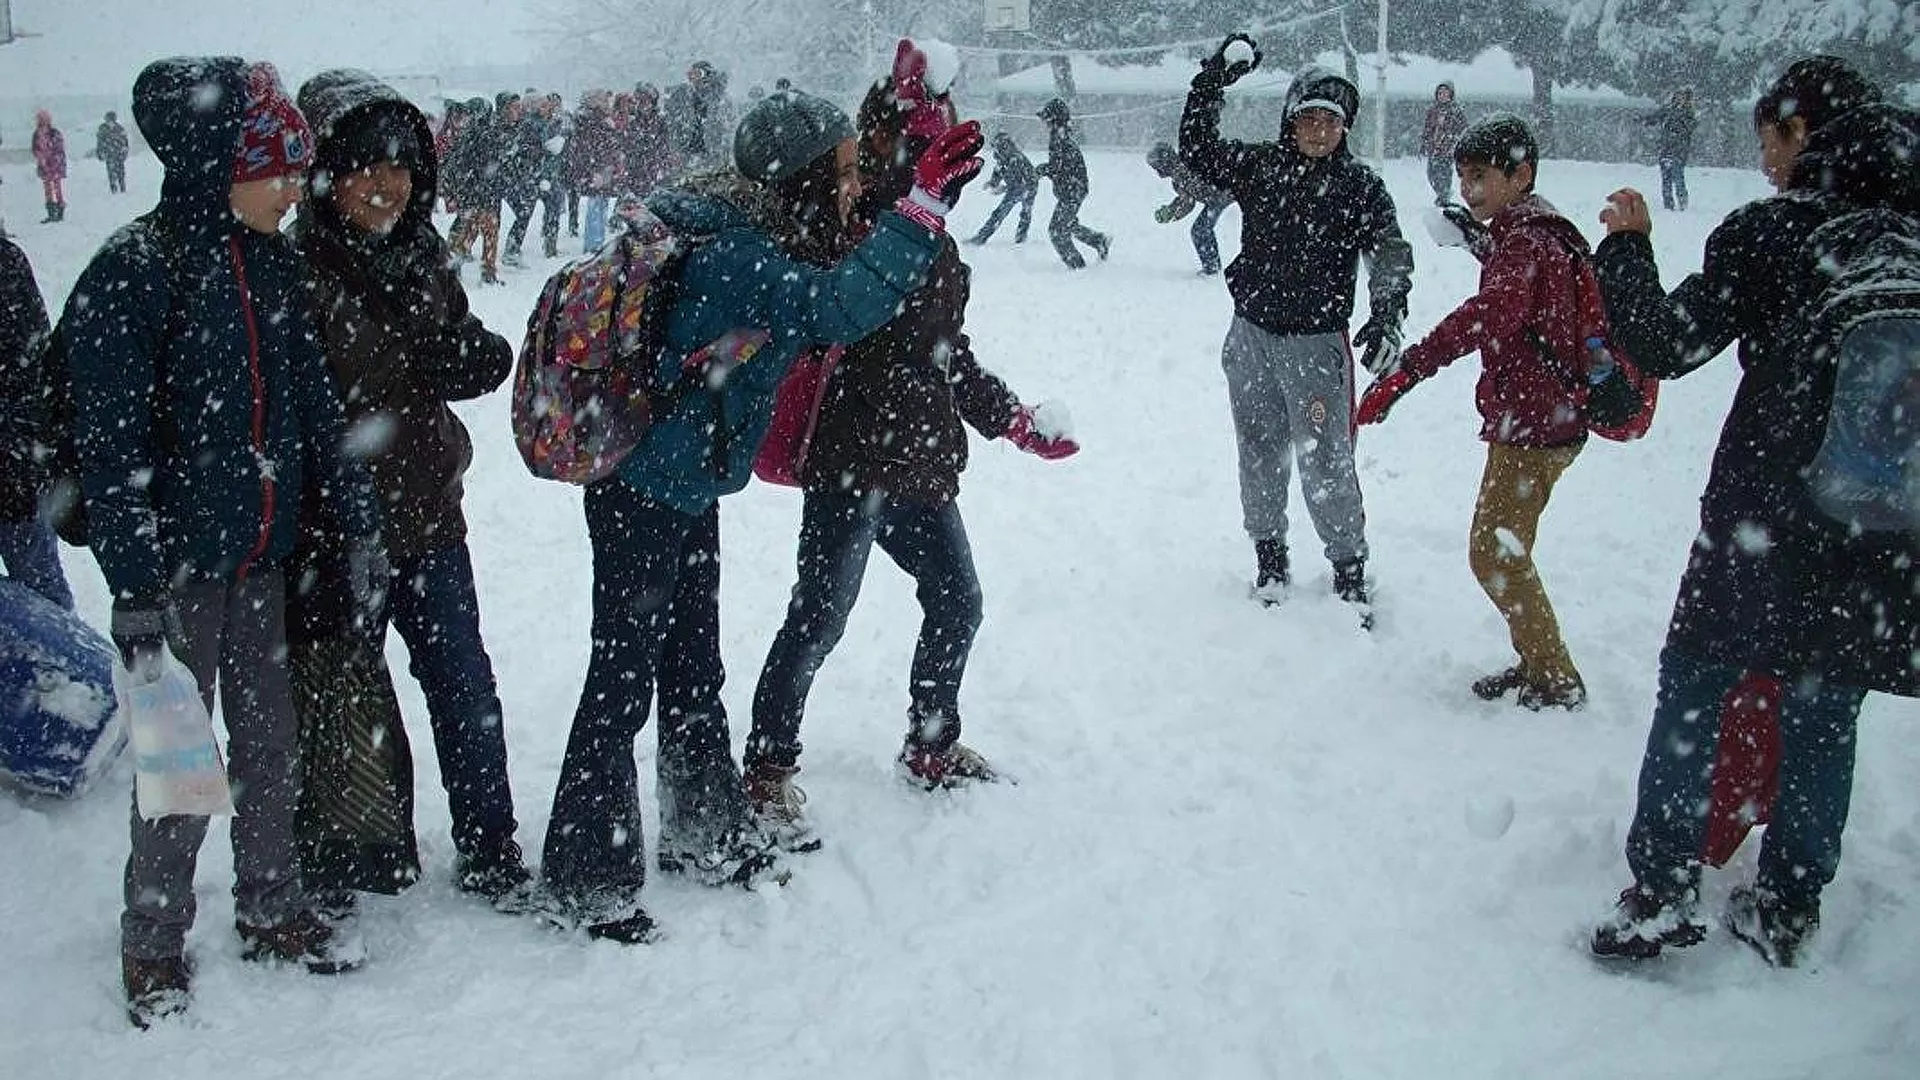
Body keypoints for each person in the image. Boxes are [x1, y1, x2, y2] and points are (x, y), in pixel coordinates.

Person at [537, 89, 983, 943]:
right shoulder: (735, 255)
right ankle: (587, 877)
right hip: (642, 492)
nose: (857, 188)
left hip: (683, 485)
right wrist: (920, 208)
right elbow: (837, 309)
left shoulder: (753, 230)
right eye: (847, 172)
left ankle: (704, 835)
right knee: (622, 680)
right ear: (806, 176)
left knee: (693, 666)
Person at [64, 57, 383, 1028]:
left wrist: (359, 522)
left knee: (270, 747)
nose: (295, 191)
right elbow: (109, 445)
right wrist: (133, 580)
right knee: (176, 769)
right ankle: (153, 941)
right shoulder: (137, 268)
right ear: (219, 163)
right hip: (173, 573)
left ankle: (271, 906)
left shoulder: (272, 267)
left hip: (261, 563)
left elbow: (319, 412)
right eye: (279, 172)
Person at [1587, 58, 1916, 967]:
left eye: (1769, 135)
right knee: (1823, 716)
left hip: (1761, 519)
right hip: (1880, 530)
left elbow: (1664, 342)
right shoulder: (1909, 242)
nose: (1763, 155)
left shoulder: (1774, 235)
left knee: (1695, 690)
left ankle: (1660, 891)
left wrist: (1627, 244)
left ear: (1801, 134)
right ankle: (1790, 905)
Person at [744, 61, 1079, 852]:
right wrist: (905, 187)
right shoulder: (842, 223)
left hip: (921, 459)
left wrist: (1013, 422)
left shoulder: (938, 241)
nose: (939, 156)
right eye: (919, 139)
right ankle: (765, 767)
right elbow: (825, 298)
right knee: (820, 617)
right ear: (881, 143)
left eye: (942, 137)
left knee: (958, 601)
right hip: (851, 457)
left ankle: (930, 745)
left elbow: (945, 354)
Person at [292, 69, 533, 913]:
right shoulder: (295, 276)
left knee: (464, 686)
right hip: (333, 536)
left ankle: (490, 845)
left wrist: (476, 357)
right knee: (344, 702)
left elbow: (457, 343)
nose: (385, 184)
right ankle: (350, 858)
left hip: (430, 514)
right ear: (324, 174)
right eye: (362, 166)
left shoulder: (423, 254)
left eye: (399, 166)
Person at [1354, 114, 1597, 708]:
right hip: (1543, 413)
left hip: (1536, 422)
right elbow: (1519, 293)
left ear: (1523, 174)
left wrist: (1409, 369)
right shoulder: (1531, 232)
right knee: (1504, 549)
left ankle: (1555, 678)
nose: (1470, 188)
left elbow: (1490, 314)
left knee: (1494, 553)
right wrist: (1477, 239)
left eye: (1483, 176)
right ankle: (1537, 661)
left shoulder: (1527, 240)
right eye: (1463, 176)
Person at [1178, 36, 1411, 624]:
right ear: (1290, 119)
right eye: (1307, 116)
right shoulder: (1260, 166)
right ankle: (1270, 557)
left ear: (1344, 127)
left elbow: (1390, 253)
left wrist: (1386, 311)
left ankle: (1349, 569)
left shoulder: (1360, 187)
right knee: (1258, 451)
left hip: (1316, 348)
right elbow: (1197, 148)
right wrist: (1212, 80)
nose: (1318, 129)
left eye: (1330, 120)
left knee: (1326, 457)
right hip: (1252, 336)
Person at [0, 235, 73, 610]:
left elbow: (35, 372)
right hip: (19, 469)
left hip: (15, 477)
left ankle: (60, 669)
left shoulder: (6, 263)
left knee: (44, 599)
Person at [1034, 98, 1110, 269]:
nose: (1043, 124)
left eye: (1046, 120)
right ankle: (1099, 240)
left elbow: (1059, 167)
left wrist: (1042, 170)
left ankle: (1077, 268)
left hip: (1073, 190)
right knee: (1067, 223)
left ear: (1054, 120)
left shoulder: (1061, 140)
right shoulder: (1059, 137)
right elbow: (1059, 167)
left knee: (1057, 230)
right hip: (1072, 189)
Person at [1146, 140, 1233, 275]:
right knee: (1200, 230)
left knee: (1200, 230)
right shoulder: (1178, 174)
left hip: (1221, 196)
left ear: (1165, 162)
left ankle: (1212, 268)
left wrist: (1171, 213)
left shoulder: (1182, 171)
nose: (1157, 171)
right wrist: (1171, 211)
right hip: (1219, 197)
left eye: (1157, 166)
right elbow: (1186, 200)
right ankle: (1212, 266)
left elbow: (1188, 203)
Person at [444, 97, 505, 285]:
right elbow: (492, 166)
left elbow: (455, 165)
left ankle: (454, 268)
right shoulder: (488, 134)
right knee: (489, 235)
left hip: (470, 195)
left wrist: (459, 193)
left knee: (468, 235)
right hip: (484, 194)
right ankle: (487, 274)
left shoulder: (465, 134)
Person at [967, 131, 1037, 245]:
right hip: (1016, 188)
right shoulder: (1001, 160)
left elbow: (1021, 182)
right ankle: (984, 236)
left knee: (1020, 212)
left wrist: (1003, 189)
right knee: (1012, 213)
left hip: (1029, 187)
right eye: (995, 147)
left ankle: (1019, 236)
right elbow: (998, 173)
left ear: (1005, 145)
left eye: (997, 146)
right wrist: (992, 183)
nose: (995, 150)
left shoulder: (1016, 159)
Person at [1641, 87, 1698, 211]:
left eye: (1682, 96)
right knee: (1666, 179)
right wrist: (1644, 120)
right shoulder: (1668, 110)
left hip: (1679, 151)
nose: (1679, 98)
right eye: (1678, 95)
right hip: (1665, 149)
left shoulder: (1689, 113)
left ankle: (1683, 203)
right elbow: (1655, 118)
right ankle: (1668, 205)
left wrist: (1677, 128)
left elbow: (1689, 128)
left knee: (1678, 177)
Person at [1419, 82, 1467, 204]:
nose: (1442, 96)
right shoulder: (1433, 111)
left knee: (1444, 174)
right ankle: (1441, 194)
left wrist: (1453, 141)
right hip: (1433, 148)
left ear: (1451, 95)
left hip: (1447, 150)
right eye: (1440, 93)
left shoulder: (1456, 111)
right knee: (1431, 174)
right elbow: (1427, 128)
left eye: (1445, 93)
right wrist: (1424, 143)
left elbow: (1462, 129)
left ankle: (1444, 196)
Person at [32, 111, 68, 223]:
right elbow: (35, 149)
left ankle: (59, 213)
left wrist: (52, 160)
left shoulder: (54, 133)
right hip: (45, 165)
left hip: (54, 165)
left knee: (57, 189)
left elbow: (59, 149)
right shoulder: (37, 134)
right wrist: (41, 158)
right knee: (48, 189)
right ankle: (52, 213)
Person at [96, 111, 131, 195]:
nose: (110, 122)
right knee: (111, 172)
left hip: (118, 154)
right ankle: (114, 188)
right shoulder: (102, 129)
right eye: (108, 120)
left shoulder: (120, 128)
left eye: (112, 120)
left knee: (121, 171)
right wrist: (100, 153)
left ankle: (122, 187)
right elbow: (99, 143)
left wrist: (124, 152)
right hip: (109, 154)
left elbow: (125, 142)